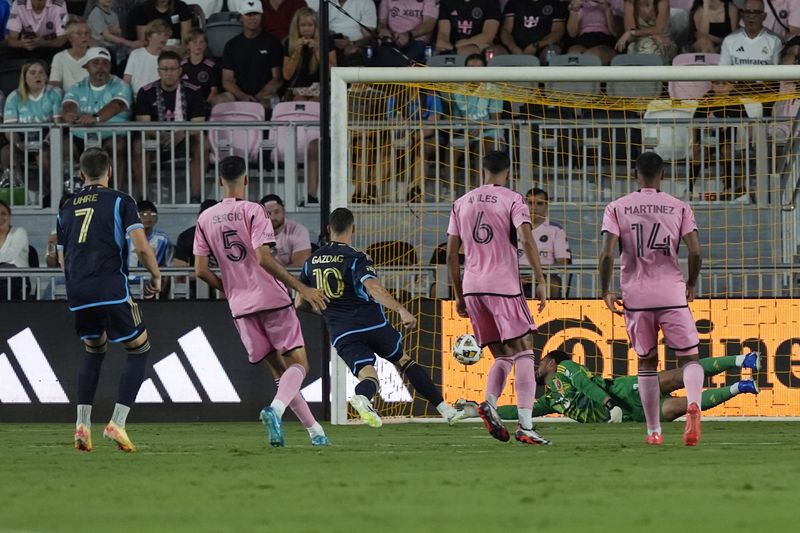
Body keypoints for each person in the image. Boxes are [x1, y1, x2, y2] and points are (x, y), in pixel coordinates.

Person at [193, 155, 330, 447]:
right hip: (271, 297)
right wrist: (300, 288)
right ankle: (275, 410)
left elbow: (200, 271)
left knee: (281, 374)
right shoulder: (253, 210)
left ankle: (316, 433)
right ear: (246, 179)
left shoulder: (204, 219)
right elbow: (264, 257)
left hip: (240, 306)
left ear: (219, 181)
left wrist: (229, 289)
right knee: (300, 366)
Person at [296, 207, 461, 427]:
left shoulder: (311, 262)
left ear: (328, 229)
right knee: (404, 360)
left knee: (368, 375)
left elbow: (300, 302)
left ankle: (363, 397)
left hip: (342, 331)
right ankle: (445, 410)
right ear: (353, 228)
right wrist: (401, 309)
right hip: (372, 324)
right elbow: (374, 289)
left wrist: (325, 311)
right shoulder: (357, 257)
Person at [58, 147, 161, 453]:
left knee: (94, 348)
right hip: (110, 286)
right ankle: (117, 423)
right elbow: (141, 247)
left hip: (78, 289)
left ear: (81, 174)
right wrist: (156, 275)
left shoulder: (66, 206)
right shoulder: (120, 200)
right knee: (140, 348)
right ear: (109, 172)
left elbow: (63, 259)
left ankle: (81, 426)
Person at [446, 150, 550, 445]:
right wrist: (541, 279)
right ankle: (526, 426)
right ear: (509, 171)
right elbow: (527, 239)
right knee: (525, 350)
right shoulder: (513, 199)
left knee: (503, 354)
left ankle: (490, 404)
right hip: (502, 285)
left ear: (483, 170)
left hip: (472, 286)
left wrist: (458, 294)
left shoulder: (461, 202)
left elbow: (452, 253)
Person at [599, 151, 704, 446]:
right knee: (690, 359)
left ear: (635, 174)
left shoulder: (617, 207)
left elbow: (607, 252)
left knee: (646, 363)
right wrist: (692, 282)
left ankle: (653, 431)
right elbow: (695, 251)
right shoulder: (679, 207)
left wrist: (604, 289)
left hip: (636, 296)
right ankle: (693, 404)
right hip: (671, 293)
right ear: (663, 175)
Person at [480, 350, 762, 424]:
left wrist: (609, 403)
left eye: (541, 362)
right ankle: (741, 386)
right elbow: (519, 411)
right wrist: (485, 410)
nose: (537, 367)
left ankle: (743, 359)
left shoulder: (566, 369)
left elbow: (585, 385)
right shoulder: (550, 401)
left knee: (677, 377)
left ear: (552, 363)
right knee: (685, 407)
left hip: (624, 392)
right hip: (631, 416)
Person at [133, 50, 207, 202]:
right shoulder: (146, 92)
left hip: (184, 138)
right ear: (158, 71)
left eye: (172, 69)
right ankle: (143, 197)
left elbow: (198, 124)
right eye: (164, 69)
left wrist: (181, 134)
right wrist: (160, 135)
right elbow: (144, 124)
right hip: (156, 139)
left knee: (202, 144)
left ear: (180, 70)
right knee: (139, 146)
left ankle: (195, 196)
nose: (168, 73)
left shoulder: (194, 91)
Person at [61, 47, 133, 186]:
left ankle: (114, 192)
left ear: (111, 66)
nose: (101, 67)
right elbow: (69, 103)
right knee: (64, 146)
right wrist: (69, 113)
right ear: (86, 66)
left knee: (116, 146)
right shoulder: (78, 86)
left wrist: (96, 118)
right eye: (96, 63)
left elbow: (117, 104)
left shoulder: (121, 85)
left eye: (105, 63)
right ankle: (70, 191)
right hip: (82, 136)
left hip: (112, 135)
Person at [2, 60, 62, 182]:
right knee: (6, 153)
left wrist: (46, 142)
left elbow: (58, 124)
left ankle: (52, 194)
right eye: (32, 72)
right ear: (24, 77)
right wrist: (18, 143)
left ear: (46, 77)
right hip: (22, 140)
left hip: (48, 139)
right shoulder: (14, 96)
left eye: (41, 72)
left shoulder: (55, 93)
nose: (37, 76)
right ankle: (17, 188)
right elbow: (9, 130)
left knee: (44, 157)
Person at [221, 1, 284, 112]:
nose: (252, 18)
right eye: (248, 14)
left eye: (256, 14)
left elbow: (277, 79)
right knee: (220, 101)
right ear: (241, 18)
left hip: (266, 95)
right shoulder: (232, 45)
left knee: (266, 103)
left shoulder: (273, 42)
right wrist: (242, 96)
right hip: (239, 96)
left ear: (261, 16)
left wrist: (258, 97)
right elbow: (227, 79)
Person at [518, 188, 571, 299]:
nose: (534, 207)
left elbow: (563, 261)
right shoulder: (514, 229)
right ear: (525, 205)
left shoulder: (556, 230)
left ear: (546, 205)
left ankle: (552, 315)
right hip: (517, 277)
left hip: (546, 276)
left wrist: (538, 275)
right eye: (531, 203)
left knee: (553, 284)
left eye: (539, 203)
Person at [283, 7, 336, 102]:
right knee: (300, 102)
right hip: (298, 90)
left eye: (310, 25)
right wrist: (296, 53)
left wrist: (317, 51)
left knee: (315, 103)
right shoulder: (289, 42)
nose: (306, 29)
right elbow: (287, 76)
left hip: (321, 89)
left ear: (316, 26)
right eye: (303, 25)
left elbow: (333, 73)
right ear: (297, 26)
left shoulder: (326, 40)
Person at [501, 0, 567, 63]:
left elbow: (557, 32)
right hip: (514, 46)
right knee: (496, 53)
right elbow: (506, 30)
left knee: (551, 53)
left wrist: (536, 46)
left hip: (543, 46)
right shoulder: (513, 2)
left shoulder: (556, 3)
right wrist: (513, 47)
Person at [719, 0, 782, 65]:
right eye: (748, 12)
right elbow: (722, 72)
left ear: (764, 16)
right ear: (742, 15)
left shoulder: (775, 41)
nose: (751, 16)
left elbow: (778, 73)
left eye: (756, 12)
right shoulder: (729, 40)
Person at [259, 194, 312, 267]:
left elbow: (300, 266)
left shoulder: (298, 230)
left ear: (284, 211)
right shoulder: (254, 232)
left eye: (276, 212)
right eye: (268, 213)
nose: (272, 217)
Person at [181, 28, 229, 109]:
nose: (198, 45)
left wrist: (204, 105)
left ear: (206, 45)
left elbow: (214, 90)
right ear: (187, 45)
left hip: (205, 104)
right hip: (185, 104)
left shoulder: (212, 66)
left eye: (201, 42)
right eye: (194, 42)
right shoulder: (181, 66)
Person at [87, 0, 144, 67]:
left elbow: (118, 32)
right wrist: (130, 43)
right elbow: (107, 35)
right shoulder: (96, 14)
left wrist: (113, 31)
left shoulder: (113, 14)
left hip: (112, 49)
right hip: (98, 51)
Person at [123, 18, 171, 96]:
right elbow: (127, 79)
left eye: (166, 35)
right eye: (159, 34)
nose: (163, 37)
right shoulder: (136, 54)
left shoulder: (168, 58)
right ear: (149, 36)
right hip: (136, 97)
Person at [436, 0, 501, 56]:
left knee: (466, 51)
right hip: (453, 47)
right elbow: (443, 34)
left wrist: (460, 45)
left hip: (481, 45)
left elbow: (488, 36)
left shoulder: (491, 1)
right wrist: (444, 44)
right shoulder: (447, 2)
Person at [566, 0, 618, 65]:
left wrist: (607, 10)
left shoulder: (612, 2)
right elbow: (572, 34)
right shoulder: (577, 2)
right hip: (583, 39)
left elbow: (615, 32)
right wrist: (574, 10)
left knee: (593, 55)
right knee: (572, 55)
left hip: (603, 39)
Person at [49, 18, 91, 91]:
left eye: (87, 33)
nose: (84, 36)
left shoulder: (96, 55)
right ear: (70, 38)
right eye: (79, 33)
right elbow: (54, 81)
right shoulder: (59, 57)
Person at [173, 198, 217, 267]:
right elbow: (180, 270)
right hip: (195, 277)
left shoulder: (228, 235)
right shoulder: (186, 237)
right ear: (198, 217)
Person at [0, 199, 29, 268]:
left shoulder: (19, 232)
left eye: (3, 214)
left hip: (18, 276)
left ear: (9, 216)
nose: (0, 218)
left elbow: (10, 256)